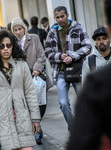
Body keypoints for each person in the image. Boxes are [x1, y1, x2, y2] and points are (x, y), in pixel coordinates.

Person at [0, 29, 41, 150]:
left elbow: (30, 92)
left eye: (8, 45)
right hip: (3, 118)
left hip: (22, 115)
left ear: (13, 46)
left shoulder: (22, 65)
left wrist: (35, 118)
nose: (5, 48)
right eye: (2, 46)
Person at [67, 0, 111, 149]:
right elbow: (86, 88)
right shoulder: (90, 61)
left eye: (104, 38)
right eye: (98, 40)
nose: (102, 42)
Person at [44, 6, 92, 130]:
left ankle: (87, 127)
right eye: (57, 17)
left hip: (77, 70)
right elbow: (47, 52)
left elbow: (88, 46)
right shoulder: (52, 32)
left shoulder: (78, 27)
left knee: (84, 101)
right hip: (60, 72)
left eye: (62, 16)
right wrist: (60, 56)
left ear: (67, 15)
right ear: (54, 18)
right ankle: (74, 129)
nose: (60, 19)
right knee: (63, 102)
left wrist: (72, 56)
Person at [11, 18, 52, 144]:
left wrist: (37, 69)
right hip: (21, 78)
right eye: (15, 30)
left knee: (40, 104)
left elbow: (41, 54)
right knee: (27, 105)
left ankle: (37, 125)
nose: (18, 32)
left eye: (20, 29)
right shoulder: (11, 42)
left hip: (36, 75)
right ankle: (35, 131)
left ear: (24, 28)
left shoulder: (33, 38)